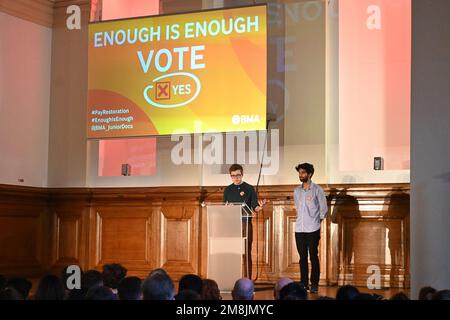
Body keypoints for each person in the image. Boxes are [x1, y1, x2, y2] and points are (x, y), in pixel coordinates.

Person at [223, 164, 266, 280]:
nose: (236, 178)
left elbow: (255, 207)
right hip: (232, 225)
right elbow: (225, 207)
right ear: (230, 176)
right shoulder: (227, 190)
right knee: (232, 253)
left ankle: (247, 280)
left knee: (246, 252)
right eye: (233, 176)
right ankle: (231, 278)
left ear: (242, 174)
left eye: (238, 175)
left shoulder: (249, 188)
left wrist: (259, 207)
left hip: (245, 223)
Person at [293, 163, 328, 294]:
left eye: (303, 173)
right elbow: (297, 207)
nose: (300, 175)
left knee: (313, 256)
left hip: (313, 228)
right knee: (302, 257)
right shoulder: (297, 191)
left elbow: (323, 210)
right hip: (299, 229)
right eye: (299, 173)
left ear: (309, 174)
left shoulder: (317, 190)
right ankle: (303, 283)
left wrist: (316, 222)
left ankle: (314, 283)